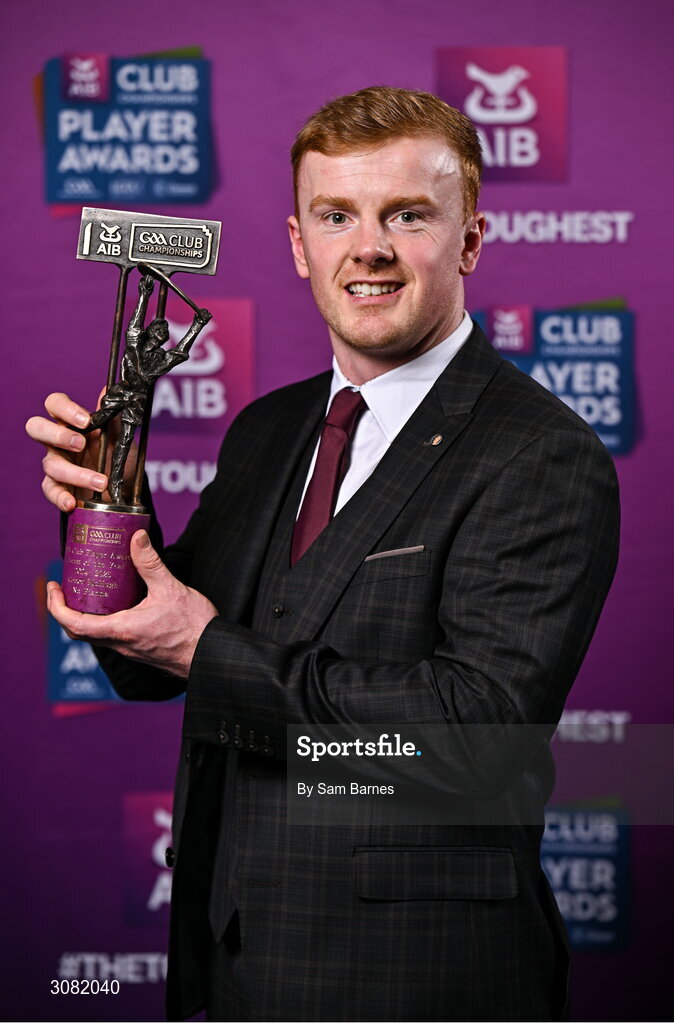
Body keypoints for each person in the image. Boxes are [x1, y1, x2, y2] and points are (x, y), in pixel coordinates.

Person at [26, 86, 620, 1022]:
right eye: (336, 215)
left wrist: (206, 648)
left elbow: (472, 736)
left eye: (408, 216)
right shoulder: (268, 429)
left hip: (416, 980)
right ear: (301, 245)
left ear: (469, 240)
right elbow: (147, 662)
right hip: (232, 959)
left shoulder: (540, 452)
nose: (368, 247)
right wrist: (107, 501)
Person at [81, 272, 212, 505]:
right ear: (150, 331)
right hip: (121, 392)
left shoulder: (161, 358)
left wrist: (197, 326)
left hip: (137, 400)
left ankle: (115, 484)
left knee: (124, 442)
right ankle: (75, 437)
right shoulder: (136, 345)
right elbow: (133, 327)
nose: (162, 332)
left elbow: (180, 352)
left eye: (165, 330)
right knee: (96, 421)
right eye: (158, 328)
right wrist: (144, 295)